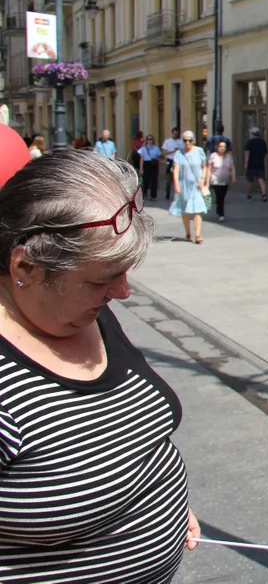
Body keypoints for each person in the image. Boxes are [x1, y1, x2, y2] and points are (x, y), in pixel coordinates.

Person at [0, 149, 201, 581]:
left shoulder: (82, 311)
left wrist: (160, 502)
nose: (124, 292)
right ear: (26, 267)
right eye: (102, 277)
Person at [169, 131, 208, 244]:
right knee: (185, 211)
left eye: (189, 140)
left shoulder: (199, 151)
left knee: (197, 210)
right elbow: (176, 170)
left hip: (196, 185)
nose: (187, 143)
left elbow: (204, 167)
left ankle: (197, 235)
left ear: (194, 141)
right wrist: (176, 184)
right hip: (184, 185)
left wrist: (203, 179)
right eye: (185, 140)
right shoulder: (179, 154)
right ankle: (188, 232)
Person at [208, 140, 236, 223]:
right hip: (215, 180)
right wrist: (207, 179)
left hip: (225, 180)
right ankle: (221, 214)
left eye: (224, 147)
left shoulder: (229, 157)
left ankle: (219, 211)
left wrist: (233, 177)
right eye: (220, 146)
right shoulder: (213, 156)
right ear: (217, 147)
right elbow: (209, 168)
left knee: (222, 197)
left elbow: (232, 167)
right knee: (219, 196)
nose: (222, 148)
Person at [243, 127, 268, 202]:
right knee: (261, 179)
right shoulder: (262, 142)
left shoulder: (249, 142)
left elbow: (247, 153)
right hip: (260, 163)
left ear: (252, 134)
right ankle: (264, 195)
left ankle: (249, 196)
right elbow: (265, 153)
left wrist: (246, 163)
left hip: (251, 163)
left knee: (250, 180)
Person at [138, 134, 163, 201]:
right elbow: (141, 159)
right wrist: (141, 168)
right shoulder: (143, 148)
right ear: (146, 140)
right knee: (146, 181)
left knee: (154, 181)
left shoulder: (156, 148)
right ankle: (145, 193)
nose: (150, 141)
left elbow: (159, 157)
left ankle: (153, 196)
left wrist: (159, 168)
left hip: (154, 164)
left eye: (151, 139)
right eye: (148, 139)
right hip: (146, 164)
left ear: (153, 140)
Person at [162, 128, 184, 201]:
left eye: (176, 133)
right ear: (172, 133)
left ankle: (178, 193)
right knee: (169, 178)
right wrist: (173, 151)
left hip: (178, 161)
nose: (175, 135)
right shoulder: (167, 141)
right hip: (170, 160)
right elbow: (164, 152)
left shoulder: (181, 142)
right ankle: (167, 192)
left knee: (178, 178)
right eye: (174, 133)